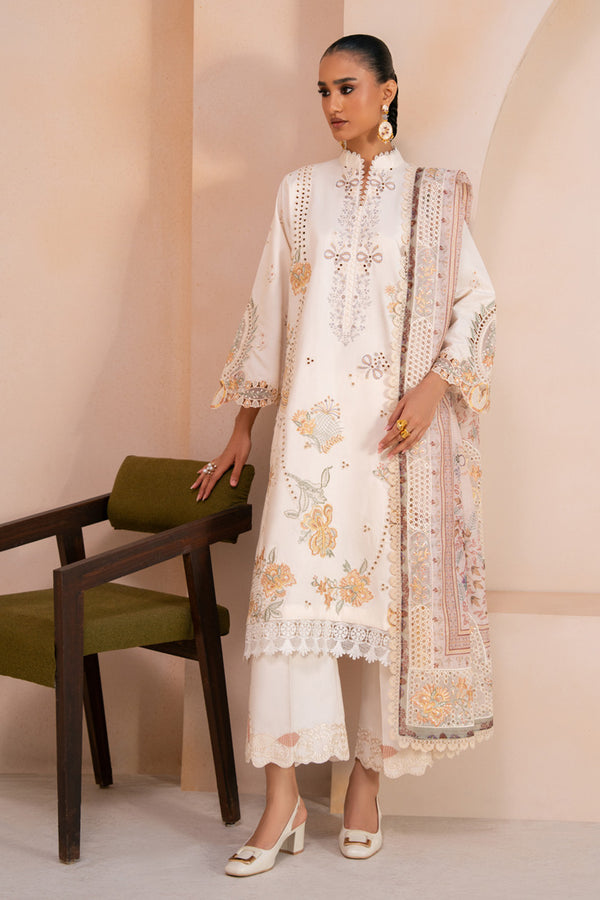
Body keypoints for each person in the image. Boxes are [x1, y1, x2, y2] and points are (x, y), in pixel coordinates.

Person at [192, 34, 496, 877]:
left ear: (387, 90)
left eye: (348, 87)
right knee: (290, 610)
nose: (332, 104)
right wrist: (243, 428)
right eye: (323, 90)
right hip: (311, 440)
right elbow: (269, 311)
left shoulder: (432, 196)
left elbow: (478, 301)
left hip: (398, 441)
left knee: (388, 617)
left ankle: (366, 785)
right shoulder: (300, 193)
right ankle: (283, 802)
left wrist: (433, 388)